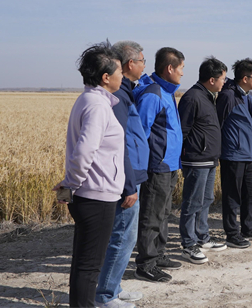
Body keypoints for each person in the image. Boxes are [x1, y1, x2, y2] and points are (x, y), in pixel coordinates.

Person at [53, 43, 125, 308]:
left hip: (89, 194)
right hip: (96, 196)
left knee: (83, 261)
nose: (122, 76)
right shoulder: (97, 106)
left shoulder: (89, 100)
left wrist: (70, 184)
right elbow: (84, 151)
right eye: (119, 71)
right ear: (106, 77)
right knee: (90, 265)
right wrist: (71, 184)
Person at [95, 41, 149, 308]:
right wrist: (129, 185)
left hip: (132, 175)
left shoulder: (126, 92)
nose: (144, 66)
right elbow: (121, 145)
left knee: (125, 236)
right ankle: (106, 295)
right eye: (142, 61)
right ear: (130, 63)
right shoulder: (118, 98)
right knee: (123, 237)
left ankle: (113, 287)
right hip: (126, 179)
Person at [133, 47, 185, 283]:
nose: (182, 73)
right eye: (181, 68)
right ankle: (146, 264)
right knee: (152, 215)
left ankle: (158, 255)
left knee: (163, 213)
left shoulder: (167, 91)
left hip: (170, 164)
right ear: (170, 68)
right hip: (157, 165)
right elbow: (140, 133)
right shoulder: (153, 94)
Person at [177, 57, 228, 264]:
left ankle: (202, 237)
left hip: (209, 159)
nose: (224, 82)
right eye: (223, 79)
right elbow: (182, 131)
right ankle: (189, 244)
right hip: (196, 160)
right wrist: (187, 154)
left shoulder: (208, 96)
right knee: (192, 202)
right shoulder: (193, 97)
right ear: (212, 79)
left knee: (206, 199)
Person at [217, 58, 252, 247]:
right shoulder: (228, 96)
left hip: (250, 155)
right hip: (233, 155)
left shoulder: (247, 96)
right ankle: (232, 234)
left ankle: (248, 227)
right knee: (232, 196)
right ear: (245, 78)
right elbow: (218, 124)